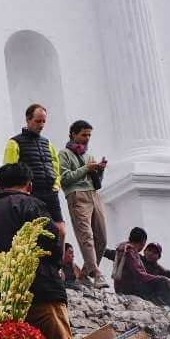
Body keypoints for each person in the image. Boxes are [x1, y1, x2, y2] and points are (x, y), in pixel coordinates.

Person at [0, 162, 71, 339]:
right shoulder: (30, 204)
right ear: (29, 185)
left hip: (4, 301)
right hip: (41, 294)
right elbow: (51, 241)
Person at [58, 120, 107, 287]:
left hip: (94, 195)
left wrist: (99, 171)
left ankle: (85, 273)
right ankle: (97, 273)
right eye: (84, 134)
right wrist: (87, 168)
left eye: (89, 135)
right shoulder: (64, 154)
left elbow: (96, 182)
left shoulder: (89, 156)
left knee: (101, 237)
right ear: (73, 134)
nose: (87, 138)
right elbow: (64, 179)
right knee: (86, 235)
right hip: (77, 195)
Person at [3, 104, 64, 233]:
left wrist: (56, 185)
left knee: (60, 231)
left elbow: (55, 165)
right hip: (31, 193)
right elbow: (9, 170)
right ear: (28, 120)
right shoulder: (14, 142)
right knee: (34, 232)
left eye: (43, 121)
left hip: (51, 193)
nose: (41, 125)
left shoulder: (47, 143)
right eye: (37, 121)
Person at [114, 228, 170, 312]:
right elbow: (138, 274)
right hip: (129, 288)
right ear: (143, 244)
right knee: (163, 283)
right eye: (149, 250)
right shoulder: (130, 252)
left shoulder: (127, 249)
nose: (151, 254)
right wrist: (160, 279)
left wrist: (165, 277)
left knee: (169, 287)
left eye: (154, 252)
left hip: (132, 286)